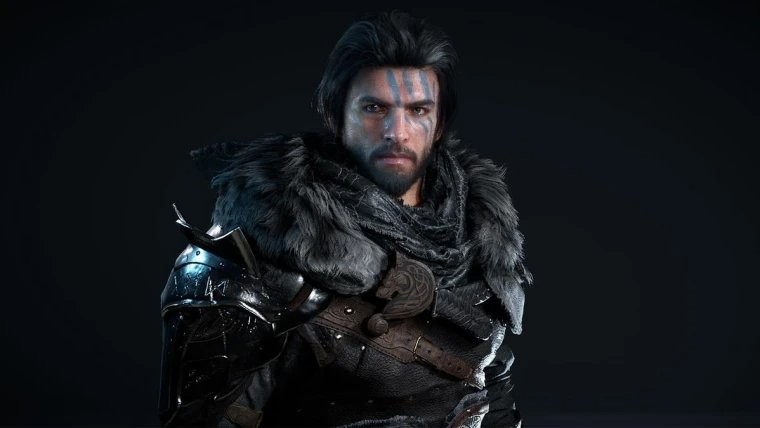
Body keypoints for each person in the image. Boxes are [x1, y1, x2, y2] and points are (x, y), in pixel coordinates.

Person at [159, 10, 532, 428]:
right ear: (336, 115)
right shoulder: (272, 238)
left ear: (439, 122)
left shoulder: (480, 235)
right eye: (374, 108)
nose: (397, 131)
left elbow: (493, 387)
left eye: (418, 110)